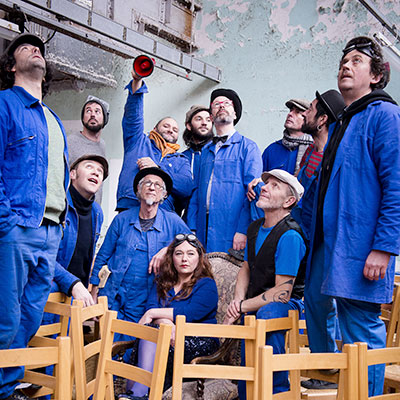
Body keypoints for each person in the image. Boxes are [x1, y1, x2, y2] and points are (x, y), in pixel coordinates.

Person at [305, 36, 400, 396]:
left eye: (357, 60)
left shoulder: (385, 116)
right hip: (327, 242)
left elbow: (397, 186)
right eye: (344, 61)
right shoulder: (343, 122)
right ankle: (327, 372)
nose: (346, 65)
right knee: (315, 302)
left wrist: (384, 248)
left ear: (376, 76)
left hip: (361, 246)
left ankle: (367, 394)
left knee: (359, 325)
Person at [0, 33, 69, 400]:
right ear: (12, 66)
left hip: (51, 231)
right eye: (25, 48)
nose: (35, 50)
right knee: (5, 317)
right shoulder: (4, 104)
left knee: (29, 316)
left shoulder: (52, 118)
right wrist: (5, 222)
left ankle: (7, 386)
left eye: (39, 48)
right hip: (18, 228)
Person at [224, 169, 306, 396]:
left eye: (274, 186)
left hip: (288, 304)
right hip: (257, 301)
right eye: (266, 183)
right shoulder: (254, 228)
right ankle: (247, 394)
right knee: (253, 316)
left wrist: (243, 306)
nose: (264, 188)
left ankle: (277, 391)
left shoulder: (290, 235)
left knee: (267, 314)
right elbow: (246, 268)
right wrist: (237, 301)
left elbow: (282, 293)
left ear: (289, 201)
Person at [119, 234, 219, 400]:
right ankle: (140, 394)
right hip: (166, 336)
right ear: (172, 258)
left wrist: (154, 314)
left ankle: (139, 392)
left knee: (154, 335)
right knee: (154, 334)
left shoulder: (207, 284)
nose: (184, 259)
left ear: (199, 258)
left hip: (199, 342)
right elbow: (151, 307)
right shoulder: (162, 282)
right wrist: (165, 322)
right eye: (179, 254)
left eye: (190, 254)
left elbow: (190, 313)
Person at [90, 167, 191, 329]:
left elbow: (194, 247)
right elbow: (102, 256)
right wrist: (94, 291)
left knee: (139, 341)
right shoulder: (121, 219)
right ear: (138, 189)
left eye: (158, 185)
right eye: (147, 183)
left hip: (149, 299)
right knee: (110, 340)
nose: (152, 187)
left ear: (164, 194)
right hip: (114, 296)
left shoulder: (173, 221)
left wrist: (168, 249)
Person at [187, 88, 262, 253]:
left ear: (235, 114)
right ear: (211, 117)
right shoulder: (205, 151)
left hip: (231, 228)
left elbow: (251, 193)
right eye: (216, 104)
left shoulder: (248, 147)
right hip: (202, 227)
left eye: (227, 103)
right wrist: (192, 227)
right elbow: (196, 190)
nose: (221, 106)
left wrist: (243, 230)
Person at [116, 70, 193, 213]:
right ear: (155, 129)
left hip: (164, 213)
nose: (171, 130)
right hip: (131, 206)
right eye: (166, 126)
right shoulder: (138, 142)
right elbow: (133, 117)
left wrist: (158, 169)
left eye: (175, 129)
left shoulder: (181, 160)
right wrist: (137, 83)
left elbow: (187, 187)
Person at [48, 154, 108, 309]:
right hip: (50, 292)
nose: (96, 172)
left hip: (77, 298)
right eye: (89, 166)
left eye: (100, 171)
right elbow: (42, 253)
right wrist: (72, 283)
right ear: (72, 174)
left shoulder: (97, 213)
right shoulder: (57, 203)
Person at [293, 90, 345, 239]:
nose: (304, 113)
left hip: (319, 236)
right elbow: (296, 183)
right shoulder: (310, 150)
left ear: (322, 119)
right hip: (300, 228)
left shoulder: (334, 159)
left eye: (310, 109)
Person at [68, 95, 109, 203]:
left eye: (97, 111)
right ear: (83, 118)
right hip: (73, 208)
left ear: (104, 119)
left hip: (94, 208)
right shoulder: (70, 141)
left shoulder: (102, 145)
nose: (92, 114)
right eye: (88, 111)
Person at [262, 98, 312, 174]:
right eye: (291, 110)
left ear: (308, 118)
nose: (290, 114)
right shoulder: (271, 150)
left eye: (297, 112)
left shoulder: (314, 150)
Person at [181, 105, 213, 179]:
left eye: (208, 120)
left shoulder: (218, 152)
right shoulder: (182, 158)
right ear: (189, 126)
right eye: (199, 119)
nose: (204, 123)